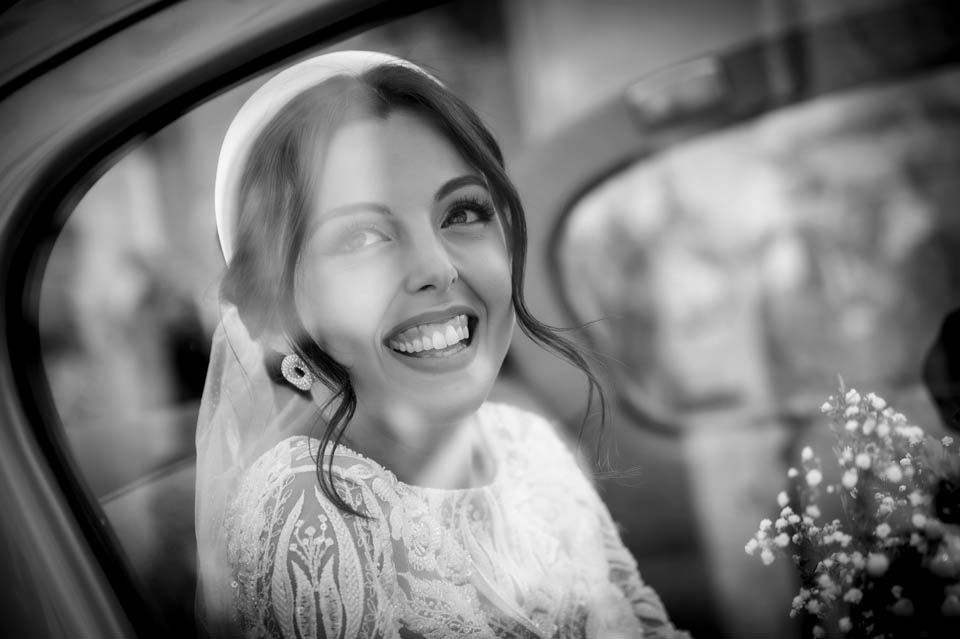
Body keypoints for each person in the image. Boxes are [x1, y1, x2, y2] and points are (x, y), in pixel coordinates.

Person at [195, 50, 688, 639]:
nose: (437, 267)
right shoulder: (309, 512)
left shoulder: (529, 443)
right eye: (362, 237)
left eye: (462, 212)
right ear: (273, 313)